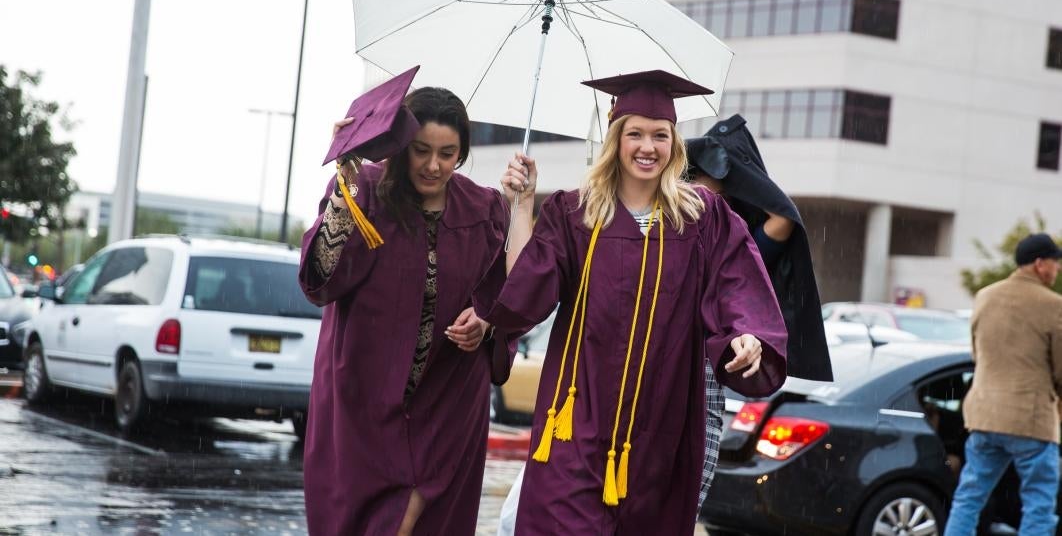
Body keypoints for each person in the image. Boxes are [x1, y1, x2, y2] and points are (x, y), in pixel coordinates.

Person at [482, 70, 788, 535]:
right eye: (635, 134)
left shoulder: (702, 219)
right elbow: (527, 290)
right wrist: (522, 207)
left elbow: (738, 286)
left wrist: (747, 335)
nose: (648, 146)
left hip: (661, 424)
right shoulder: (575, 212)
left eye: (660, 135)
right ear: (615, 139)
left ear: (674, 144)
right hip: (576, 418)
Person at [298, 83, 514, 536]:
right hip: (364, 400)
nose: (433, 165)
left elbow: (505, 299)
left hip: (447, 401)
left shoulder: (486, 209)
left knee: (427, 523)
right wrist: (347, 173)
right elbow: (319, 275)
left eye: (448, 153)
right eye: (420, 151)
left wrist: (486, 324)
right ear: (400, 147)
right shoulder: (366, 191)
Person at [685, 115, 834, 505]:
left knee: (688, 488)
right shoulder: (668, 225)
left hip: (703, 366)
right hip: (656, 363)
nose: (693, 188)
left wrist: (733, 164)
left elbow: (782, 215)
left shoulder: (739, 242)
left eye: (701, 178)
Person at [943, 232, 1062, 536]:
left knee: (969, 498)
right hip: (1031, 419)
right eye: (1055, 264)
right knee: (1038, 504)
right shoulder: (1054, 305)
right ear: (1039, 264)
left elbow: (976, 353)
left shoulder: (985, 296)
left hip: (984, 416)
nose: (1057, 270)